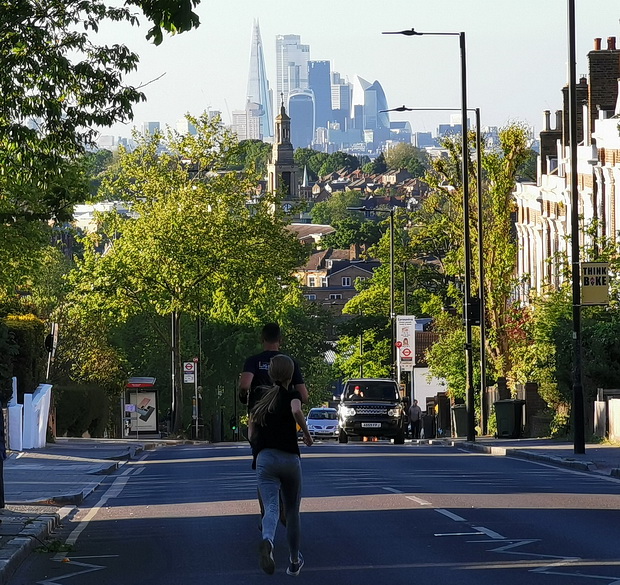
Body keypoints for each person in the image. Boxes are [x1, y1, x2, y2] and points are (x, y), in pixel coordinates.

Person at [249, 354, 313, 576]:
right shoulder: (292, 394)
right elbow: (296, 409)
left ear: (270, 373)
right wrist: (306, 434)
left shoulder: (261, 396)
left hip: (266, 459)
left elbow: (251, 428)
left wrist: (256, 448)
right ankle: (294, 561)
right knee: (293, 511)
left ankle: (268, 541)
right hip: (289, 459)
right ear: (291, 374)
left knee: (271, 507)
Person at [238, 323, 308, 407]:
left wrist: (243, 396)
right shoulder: (289, 362)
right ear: (280, 340)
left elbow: (245, 385)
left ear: (262, 339)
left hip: (259, 412)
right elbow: (304, 396)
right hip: (283, 413)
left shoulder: (253, 361)